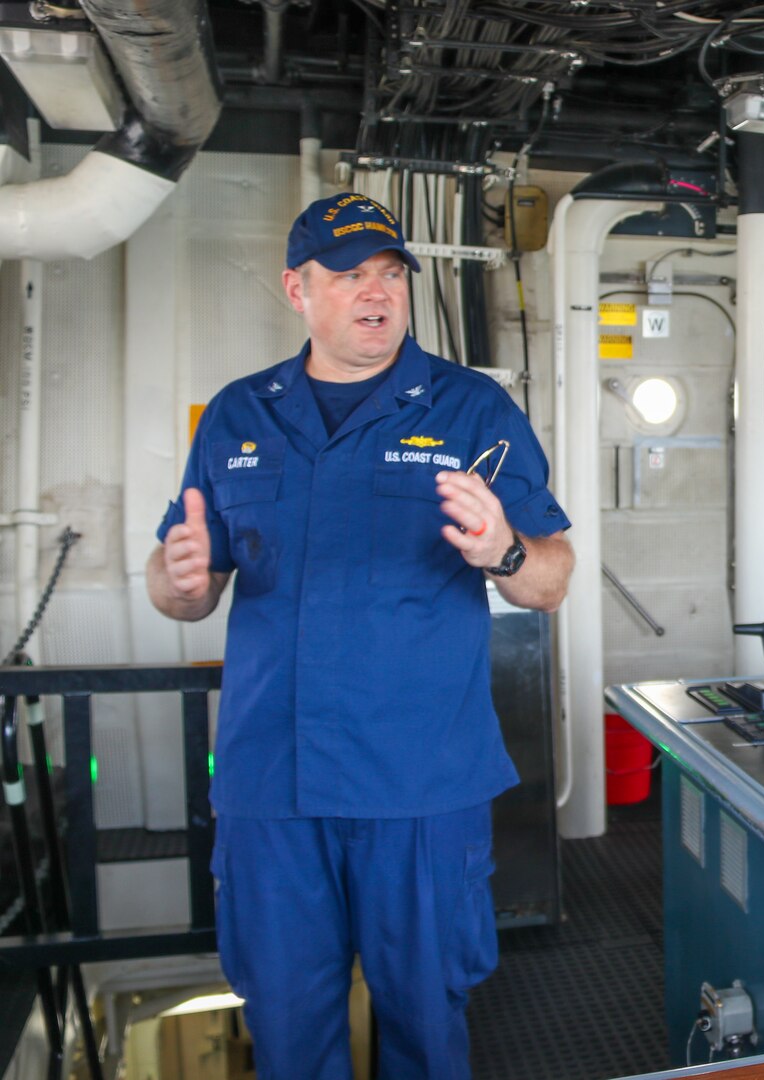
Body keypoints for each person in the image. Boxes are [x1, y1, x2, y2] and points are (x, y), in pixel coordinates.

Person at [145, 192, 575, 1080]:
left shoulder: (471, 410)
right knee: (290, 1036)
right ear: (296, 289)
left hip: (418, 784)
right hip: (273, 789)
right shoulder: (237, 417)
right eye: (348, 276)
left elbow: (551, 578)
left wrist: (501, 550)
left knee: (425, 1026)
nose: (375, 293)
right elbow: (183, 584)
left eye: (390, 275)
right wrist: (178, 585)